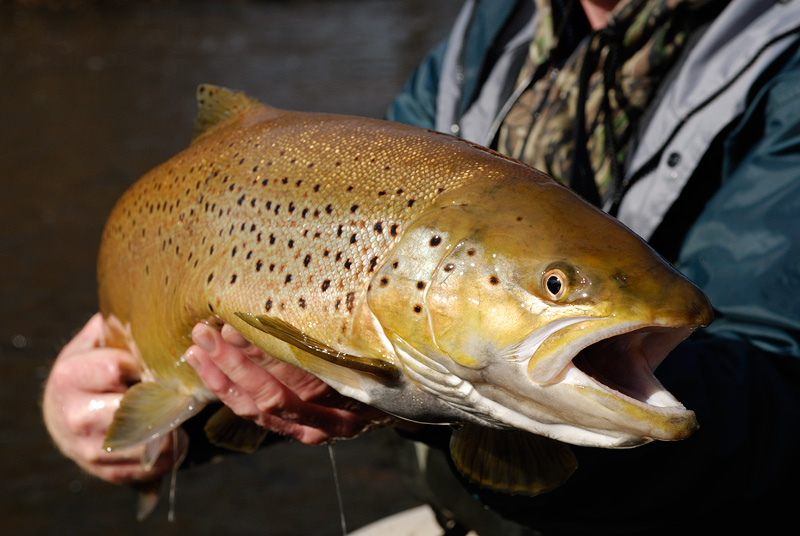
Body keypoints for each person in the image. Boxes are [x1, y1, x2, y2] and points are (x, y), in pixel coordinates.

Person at [43, 0, 800, 533]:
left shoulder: (784, 64)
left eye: (555, 287)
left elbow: (775, 404)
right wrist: (160, 428)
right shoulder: (484, 43)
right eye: (557, 287)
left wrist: (436, 400)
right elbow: (307, 349)